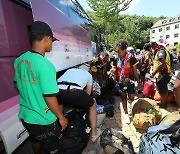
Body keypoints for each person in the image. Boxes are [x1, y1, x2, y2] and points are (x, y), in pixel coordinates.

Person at [14, 21, 68, 154]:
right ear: (47, 38)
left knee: (35, 140)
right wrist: (61, 117)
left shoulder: (19, 60)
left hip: (26, 116)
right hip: (43, 120)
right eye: (52, 41)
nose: (52, 45)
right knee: (55, 148)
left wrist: (31, 94)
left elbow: (17, 83)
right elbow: (49, 97)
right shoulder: (45, 65)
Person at [56, 66, 101, 142]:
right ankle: (94, 132)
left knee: (60, 102)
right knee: (92, 103)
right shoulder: (88, 75)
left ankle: (60, 129)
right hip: (75, 92)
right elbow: (88, 94)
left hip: (58, 91)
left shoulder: (69, 70)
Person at [115, 39, 141, 124]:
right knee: (123, 97)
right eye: (117, 51)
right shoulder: (116, 58)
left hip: (130, 81)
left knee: (131, 97)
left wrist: (138, 81)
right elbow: (114, 68)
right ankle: (126, 114)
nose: (117, 53)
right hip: (120, 81)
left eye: (119, 51)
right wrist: (112, 71)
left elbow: (135, 71)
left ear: (124, 50)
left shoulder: (131, 58)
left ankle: (130, 105)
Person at [151, 36, 172, 108]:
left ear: (157, 44)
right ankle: (163, 102)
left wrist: (153, 73)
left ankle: (163, 104)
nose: (152, 46)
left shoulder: (161, 51)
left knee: (162, 91)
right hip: (165, 74)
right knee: (164, 90)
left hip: (161, 74)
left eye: (153, 44)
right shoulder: (165, 50)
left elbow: (161, 64)